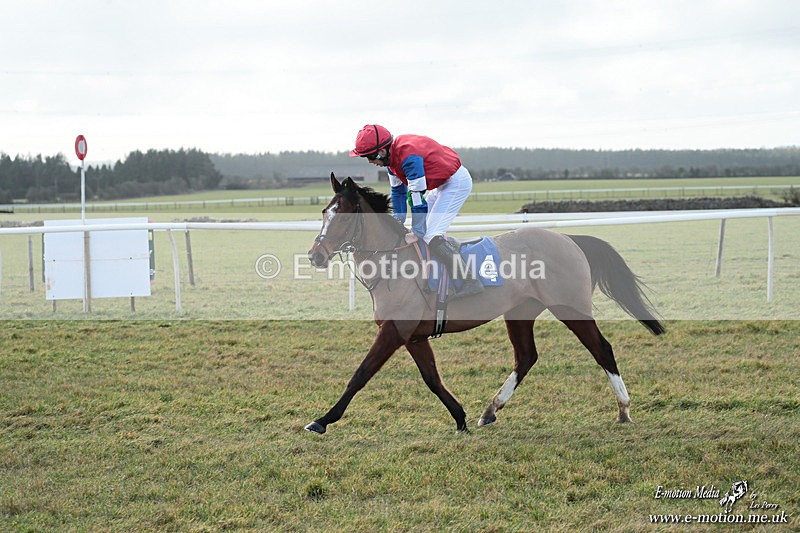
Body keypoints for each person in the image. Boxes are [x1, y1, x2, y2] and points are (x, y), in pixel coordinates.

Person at [350, 124, 483, 298]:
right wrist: (398, 223)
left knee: (430, 234)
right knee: (421, 231)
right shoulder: (391, 162)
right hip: (440, 185)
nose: (369, 162)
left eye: (369, 157)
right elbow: (398, 193)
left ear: (381, 152)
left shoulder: (408, 159)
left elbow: (417, 198)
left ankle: (470, 281)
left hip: (455, 183)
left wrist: (418, 231)